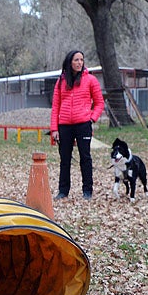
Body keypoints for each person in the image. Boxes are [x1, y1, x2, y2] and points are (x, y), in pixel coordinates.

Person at [50, 50, 105, 200]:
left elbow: (100, 103)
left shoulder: (91, 80)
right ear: (70, 62)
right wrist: (54, 129)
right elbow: (55, 106)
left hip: (83, 125)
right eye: (76, 60)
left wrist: (91, 119)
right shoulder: (61, 81)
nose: (79, 63)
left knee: (85, 158)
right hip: (65, 126)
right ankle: (63, 191)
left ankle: (87, 191)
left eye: (81, 60)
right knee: (65, 159)